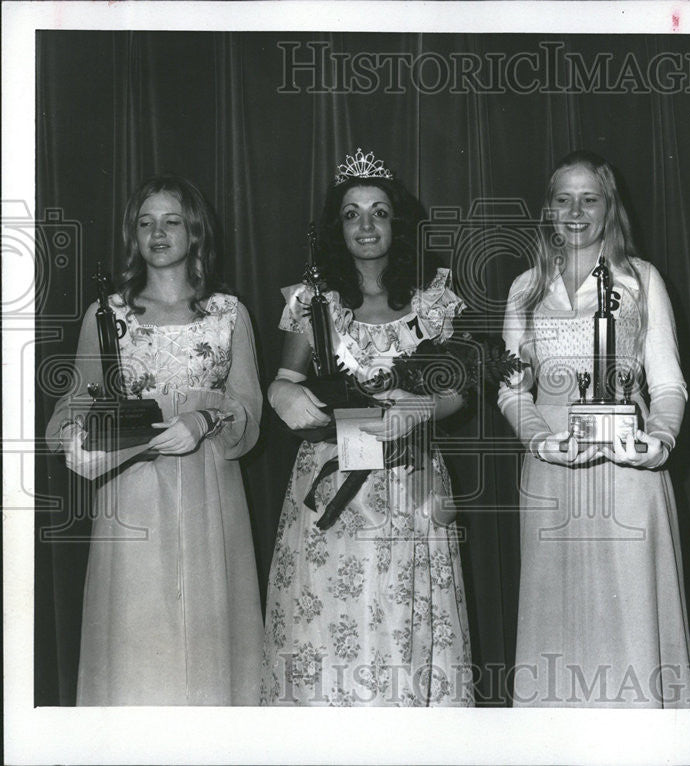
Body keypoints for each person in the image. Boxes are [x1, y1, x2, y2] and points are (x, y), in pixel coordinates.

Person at [260, 149, 473, 706]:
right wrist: (282, 392)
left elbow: (457, 391)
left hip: (411, 480)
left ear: (397, 221)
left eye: (379, 212)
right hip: (333, 483)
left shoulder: (430, 301)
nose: (366, 225)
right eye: (352, 213)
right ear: (338, 225)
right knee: (331, 623)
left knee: (406, 623)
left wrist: (423, 409)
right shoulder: (315, 302)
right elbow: (285, 376)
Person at [45, 174, 264, 705]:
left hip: (210, 493)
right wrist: (77, 439)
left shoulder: (229, 314)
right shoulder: (108, 315)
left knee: (210, 633)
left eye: (171, 221)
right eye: (146, 223)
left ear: (194, 232)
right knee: (138, 639)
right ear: (133, 235)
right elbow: (73, 405)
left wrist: (204, 421)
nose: (158, 233)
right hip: (133, 493)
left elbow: (248, 410)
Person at [498, 150, 690, 708]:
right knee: (556, 618)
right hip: (551, 472)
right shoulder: (525, 288)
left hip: (628, 468)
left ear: (610, 207)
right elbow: (511, 386)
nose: (576, 211)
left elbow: (669, 384)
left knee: (632, 615)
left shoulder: (642, 279)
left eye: (590, 199)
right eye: (563, 199)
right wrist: (540, 439)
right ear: (547, 209)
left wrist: (658, 442)